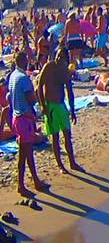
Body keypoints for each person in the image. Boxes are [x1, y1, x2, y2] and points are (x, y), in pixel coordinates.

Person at [9, 50, 49, 198]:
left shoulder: (13, 76)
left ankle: (35, 180)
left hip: (17, 118)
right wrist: (38, 94)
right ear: (22, 61)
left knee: (28, 152)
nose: (28, 62)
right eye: (26, 59)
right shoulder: (23, 78)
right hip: (24, 118)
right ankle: (21, 185)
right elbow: (31, 99)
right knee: (23, 155)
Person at [36, 46, 81, 173]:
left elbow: (70, 92)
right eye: (58, 55)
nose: (59, 58)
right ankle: (60, 165)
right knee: (55, 137)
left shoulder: (65, 71)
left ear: (66, 59)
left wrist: (72, 110)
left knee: (67, 135)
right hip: (50, 106)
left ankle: (72, 162)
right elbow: (39, 86)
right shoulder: (48, 67)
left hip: (61, 106)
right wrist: (43, 106)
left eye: (62, 56)